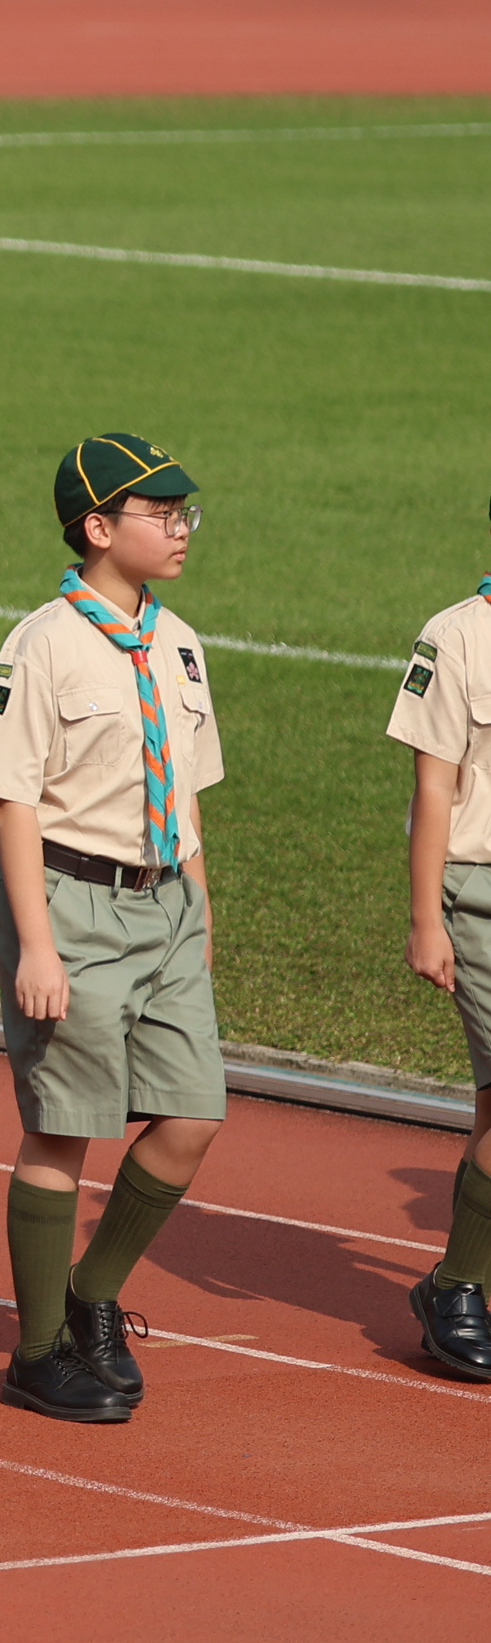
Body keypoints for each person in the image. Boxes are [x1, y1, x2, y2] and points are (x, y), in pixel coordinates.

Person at [0, 435, 228, 1424]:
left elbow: (187, 790)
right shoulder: (44, 643)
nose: (181, 528)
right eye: (160, 513)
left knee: (193, 1116)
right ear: (98, 527)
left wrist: (200, 908)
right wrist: (37, 944)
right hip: (71, 901)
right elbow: (14, 801)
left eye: (184, 512)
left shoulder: (179, 642)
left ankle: (92, 1293)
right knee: (65, 1127)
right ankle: (37, 1352)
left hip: (167, 902)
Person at [389, 530, 491, 1383]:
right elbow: (434, 787)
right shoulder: (457, 636)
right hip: (478, 892)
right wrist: (428, 918)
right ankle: (457, 1285)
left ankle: (460, 1285)